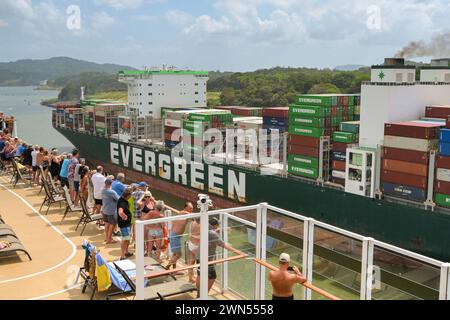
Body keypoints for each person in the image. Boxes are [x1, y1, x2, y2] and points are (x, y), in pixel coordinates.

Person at [195, 218, 237, 294]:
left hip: (199, 255)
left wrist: (223, 229)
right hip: (207, 258)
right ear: (215, 225)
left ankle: (198, 293)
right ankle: (203, 295)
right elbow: (223, 245)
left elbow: (213, 232)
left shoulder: (204, 228)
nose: (218, 226)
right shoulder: (213, 234)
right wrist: (237, 252)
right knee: (212, 277)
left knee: (200, 274)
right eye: (218, 225)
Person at [165, 202, 194, 272]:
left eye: (192, 208)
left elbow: (193, 218)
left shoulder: (183, 214)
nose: (192, 209)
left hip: (175, 235)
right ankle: (167, 267)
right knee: (179, 254)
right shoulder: (184, 213)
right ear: (185, 207)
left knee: (175, 254)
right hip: (175, 236)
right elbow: (193, 216)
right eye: (190, 208)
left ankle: (174, 270)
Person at [117, 187, 134, 260]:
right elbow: (120, 212)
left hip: (126, 224)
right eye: (131, 194)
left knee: (127, 238)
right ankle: (122, 255)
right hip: (124, 224)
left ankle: (126, 252)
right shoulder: (123, 202)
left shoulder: (122, 199)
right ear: (128, 195)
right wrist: (125, 217)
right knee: (125, 238)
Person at [101, 179, 119, 244]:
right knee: (113, 224)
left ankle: (107, 238)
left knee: (106, 224)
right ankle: (109, 239)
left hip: (104, 210)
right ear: (111, 184)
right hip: (111, 211)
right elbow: (118, 199)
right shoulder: (112, 192)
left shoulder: (103, 191)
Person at [187, 217, 201, 283]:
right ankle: (199, 279)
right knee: (200, 263)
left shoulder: (192, 223)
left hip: (191, 243)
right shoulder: (201, 225)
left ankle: (190, 278)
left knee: (191, 262)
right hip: (197, 246)